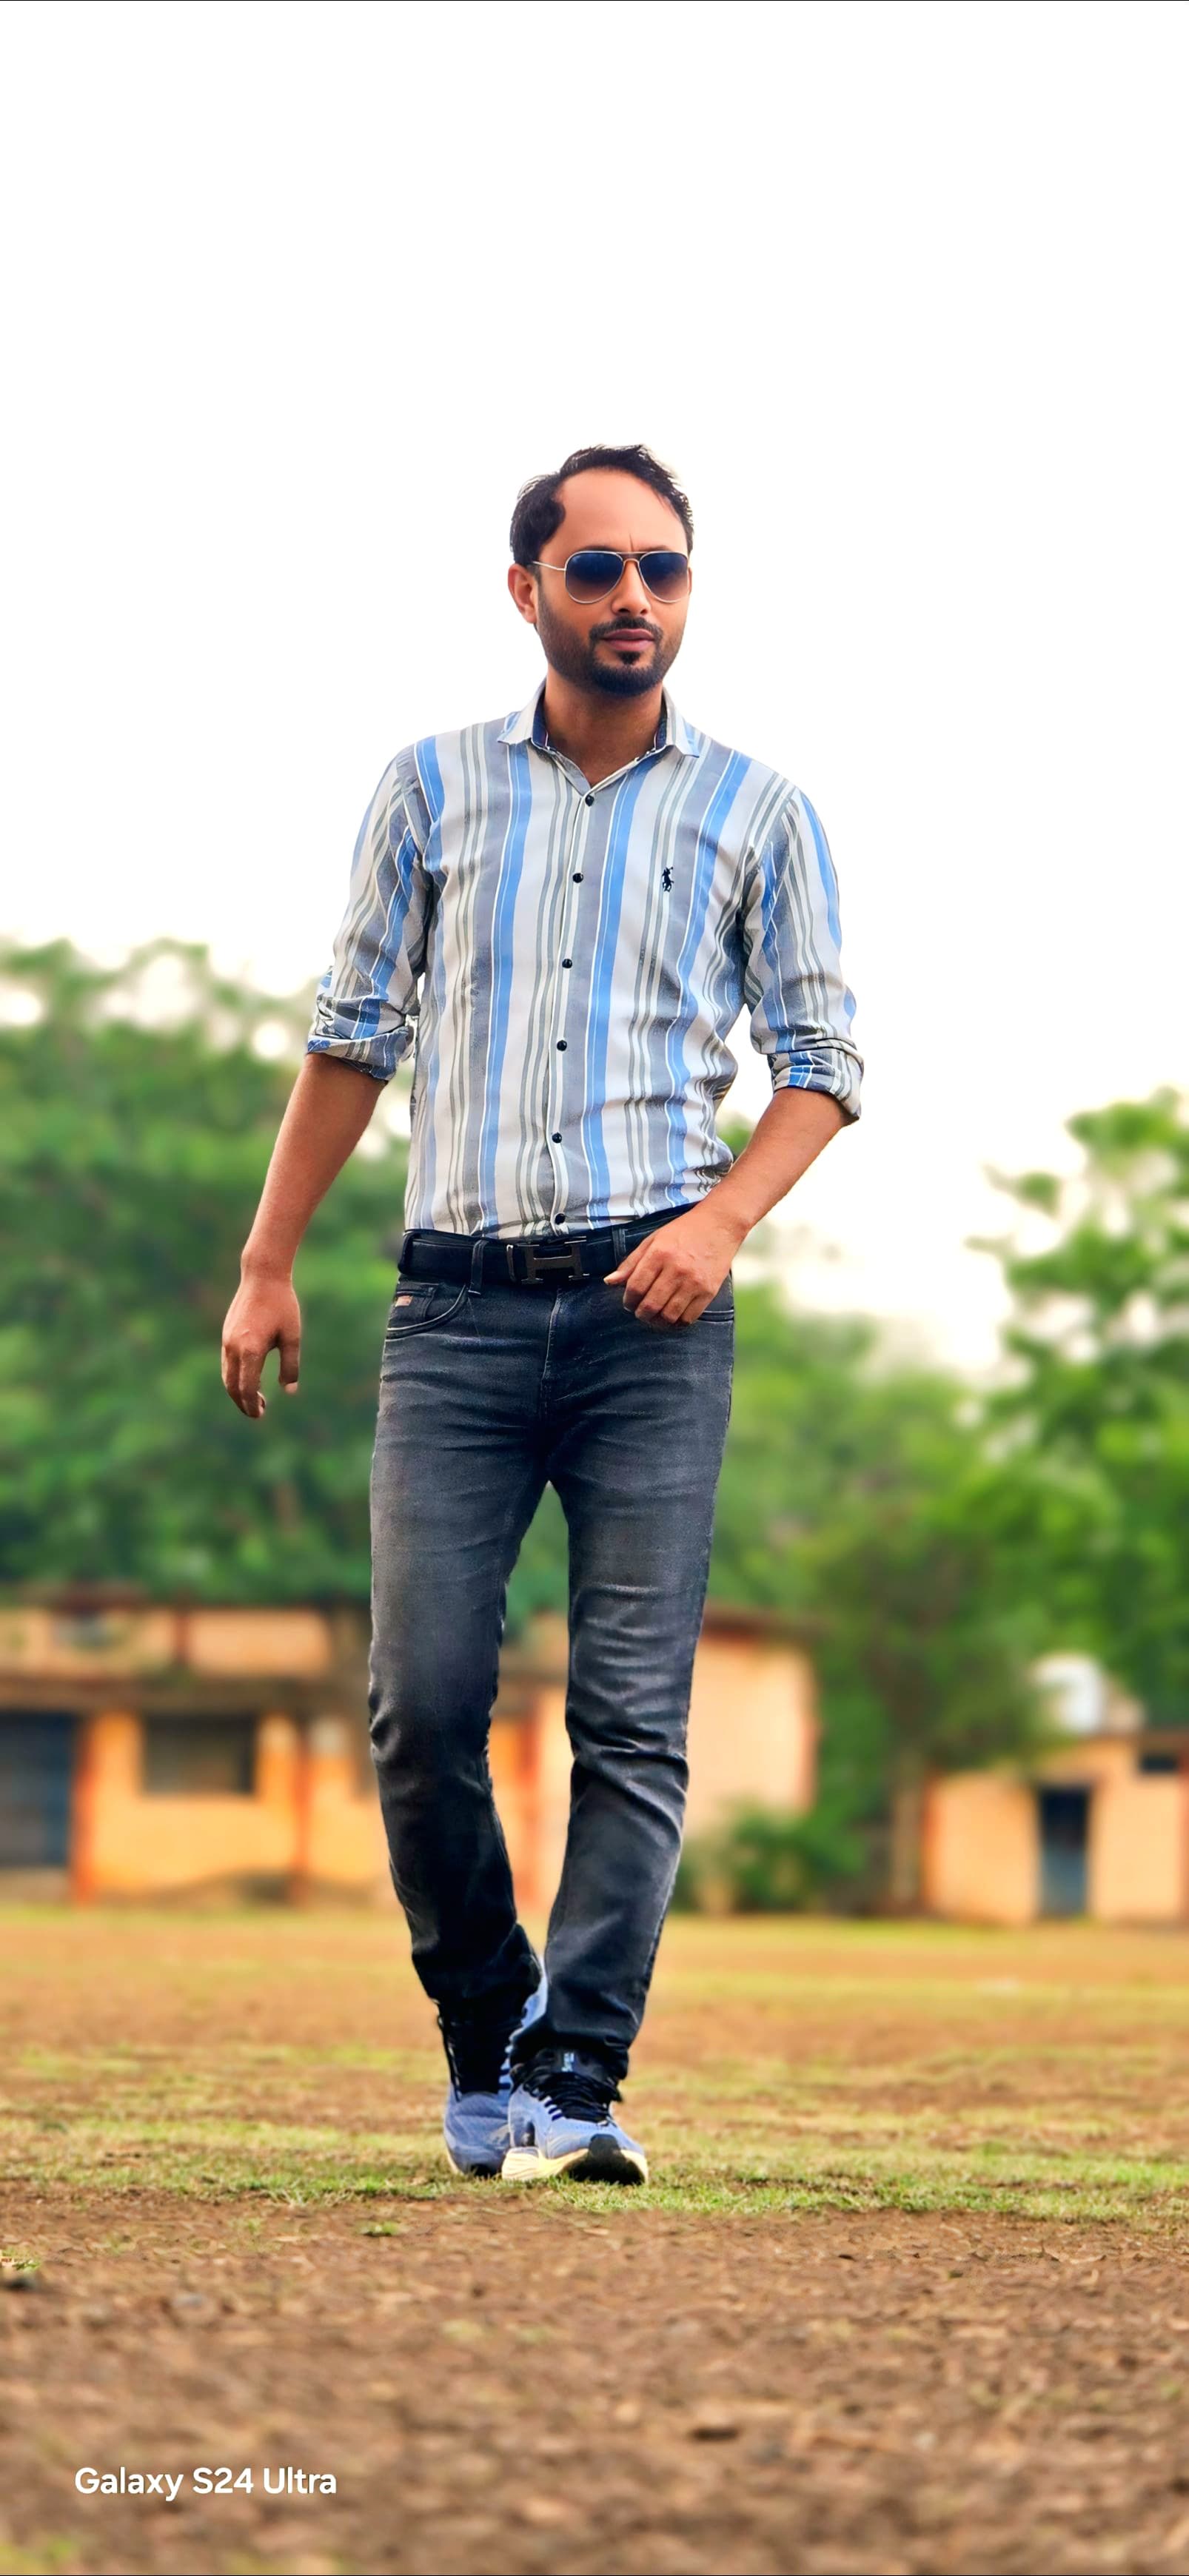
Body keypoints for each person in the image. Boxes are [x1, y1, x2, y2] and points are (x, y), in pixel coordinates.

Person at [221, 442, 863, 2186]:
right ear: (528, 592)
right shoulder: (427, 790)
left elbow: (823, 1065)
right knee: (422, 1704)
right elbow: (353, 1036)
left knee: (630, 1717)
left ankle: (579, 2083)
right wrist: (269, 1260)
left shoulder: (759, 811)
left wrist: (722, 1222)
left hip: (656, 1321)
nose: (632, 600)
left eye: (660, 570)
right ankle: (486, 2035)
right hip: (457, 1322)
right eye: (596, 571)